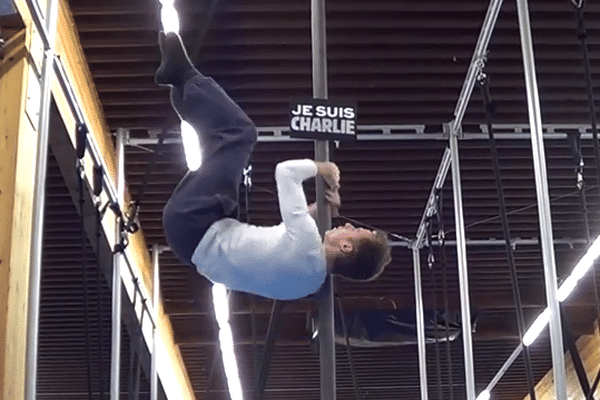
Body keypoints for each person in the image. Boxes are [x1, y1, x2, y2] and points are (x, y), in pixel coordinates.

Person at [156, 31, 392, 300]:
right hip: (195, 240)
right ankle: (180, 88)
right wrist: (318, 210)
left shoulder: (306, 245)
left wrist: (321, 168)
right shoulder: (309, 284)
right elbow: (282, 240)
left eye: (354, 231)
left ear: (347, 247)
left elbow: (286, 172)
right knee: (220, 143)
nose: (348, 225)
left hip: (196, 220)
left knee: (240, 133)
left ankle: (186, 78)